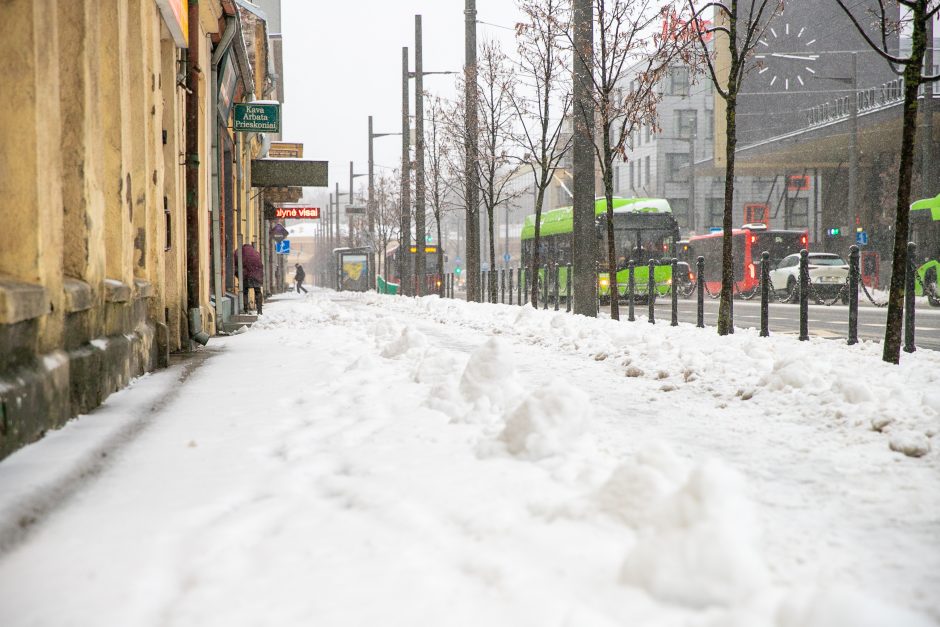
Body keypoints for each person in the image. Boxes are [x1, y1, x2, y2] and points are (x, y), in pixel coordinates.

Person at [235, 243, 264, 315]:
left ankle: (245, 309)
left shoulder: (239, 252)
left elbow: (235, 266)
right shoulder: (256, 253)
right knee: (258, 292)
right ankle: (259, 310)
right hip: (257, 275)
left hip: (246, 275)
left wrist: (238, 276)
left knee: (244, 292)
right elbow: (260, 265)